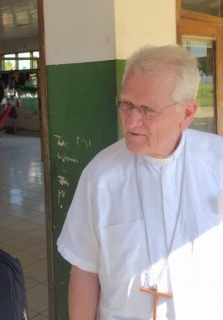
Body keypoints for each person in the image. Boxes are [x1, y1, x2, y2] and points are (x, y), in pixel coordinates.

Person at [57, 45, 223, 319]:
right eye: (127, 104)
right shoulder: (100, 175)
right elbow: (85, 270)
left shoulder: (218, 162)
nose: (131, 120)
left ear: (187, 113)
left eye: (147, 109)